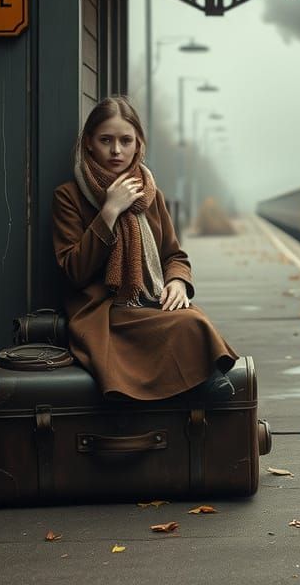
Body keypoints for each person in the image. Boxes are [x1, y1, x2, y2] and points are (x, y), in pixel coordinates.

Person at [52, 95, 237, 400]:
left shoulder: (151, 195)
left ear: (138, 144)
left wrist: (177, 281)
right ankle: (203, 386)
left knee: (193, 319)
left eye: (126, 140)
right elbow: (74, 271)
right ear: (89, 144)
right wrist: (109, 211)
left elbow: (174, 255)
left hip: (148, 300)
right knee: (187, 324)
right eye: (105, 140)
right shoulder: (68, 196)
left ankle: (204, 387)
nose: (116, 150)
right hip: (104, 312)